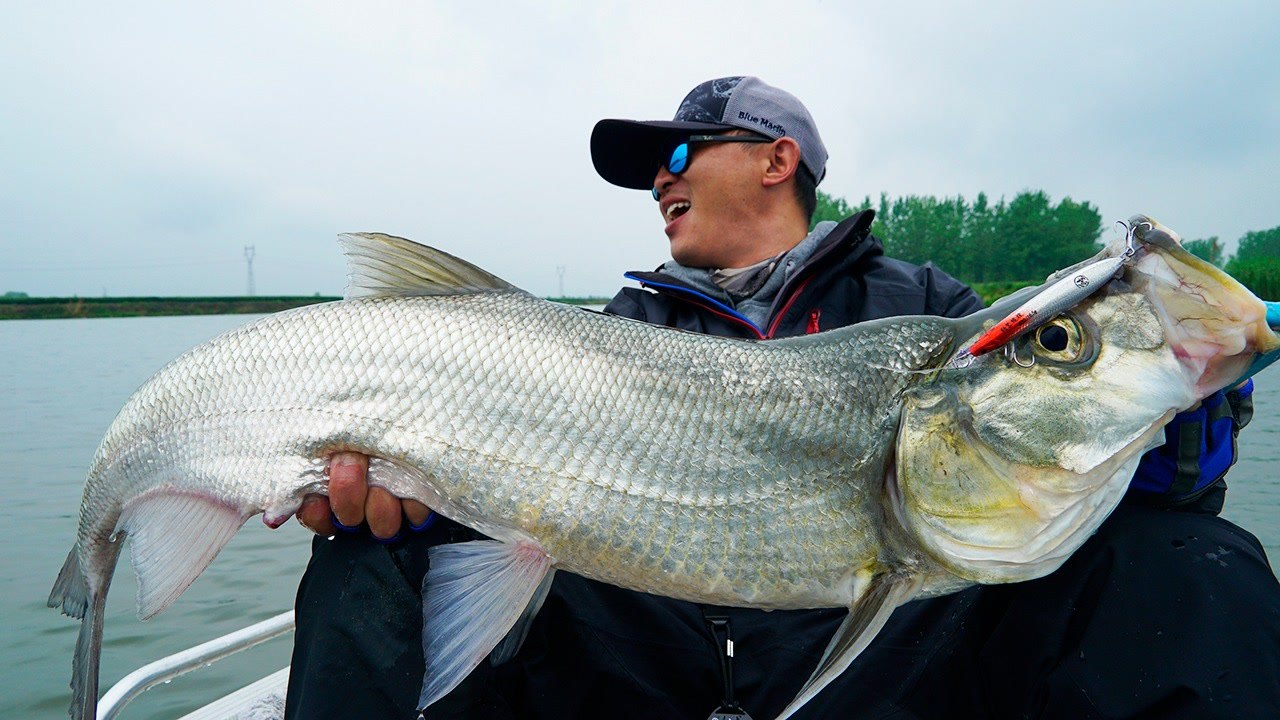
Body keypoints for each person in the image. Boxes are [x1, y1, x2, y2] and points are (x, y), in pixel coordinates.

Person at [284, 77, 1280, 719]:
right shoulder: (606, 333)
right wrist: (410, 506)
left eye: (676, 155)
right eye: (648, 173)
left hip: (893, 665)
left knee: (1185, 560)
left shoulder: (930, 309)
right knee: (370, 561)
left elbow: (1012, 468)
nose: (655, 183)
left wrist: (1163, 456)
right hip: (639, 663)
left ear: (775, 159)